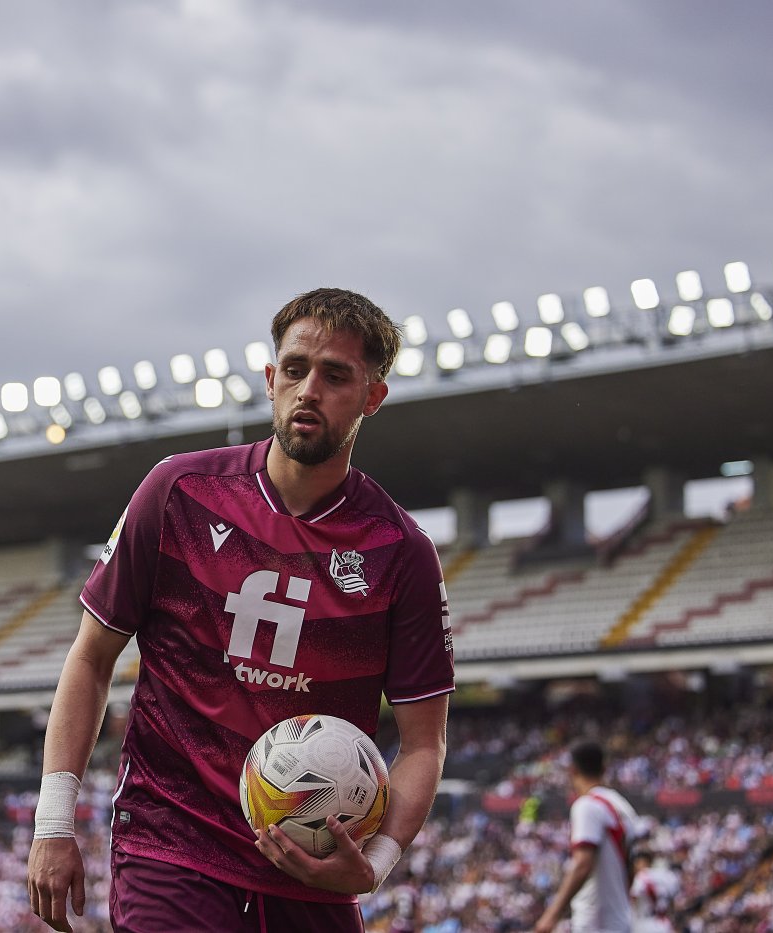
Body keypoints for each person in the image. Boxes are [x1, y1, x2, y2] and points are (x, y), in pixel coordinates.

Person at [27, 288, 455, 932]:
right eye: (294, 369)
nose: (309, 389)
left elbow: (425, 741)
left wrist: (377, 862)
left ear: (372, 396)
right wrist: (53, 823)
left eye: (335, 375)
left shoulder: (401, 552)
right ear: (269, 378)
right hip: (172, 845)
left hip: (311, 868)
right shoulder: (178, 492)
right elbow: (90, 659)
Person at [534, 741, 640, 933]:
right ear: (604, 768)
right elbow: (633, 868)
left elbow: (583, 864)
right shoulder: (622, 806)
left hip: (596, 922)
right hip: (620, 918)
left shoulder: (587, 805)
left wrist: (552, 915)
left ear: (572, 770)